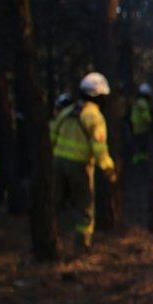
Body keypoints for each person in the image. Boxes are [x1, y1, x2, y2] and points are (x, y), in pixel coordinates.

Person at [51, 72, 117, 254]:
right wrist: (108, 168)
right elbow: (99, 147)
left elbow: (52, 135)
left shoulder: (67, 111)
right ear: (98, 96)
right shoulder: (94, 117)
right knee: (85, 208)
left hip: (58, 163)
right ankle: (82, 247)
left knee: (55, 203)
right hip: (79, 166)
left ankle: (50, 239)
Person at [130, 82, 153, 166]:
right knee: (143, 146)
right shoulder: (143, 103)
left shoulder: (137, 102)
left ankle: (136, 162)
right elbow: (146, 116)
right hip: (142, 128)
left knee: (138, 146)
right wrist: (152, 122)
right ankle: (142, 162)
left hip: (135, 128)